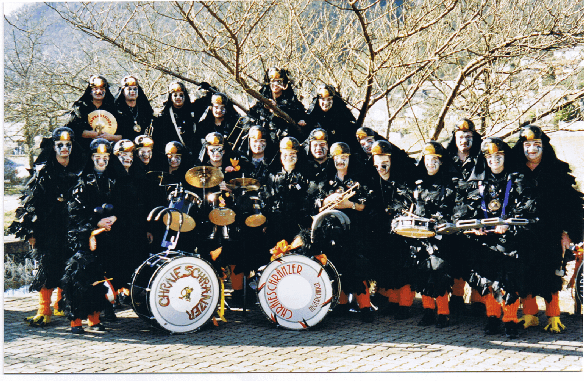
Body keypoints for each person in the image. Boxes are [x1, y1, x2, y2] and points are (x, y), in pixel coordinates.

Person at [457, 137, 537, 339]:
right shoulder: (475, 181)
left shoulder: (518, 179)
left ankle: (510, 319)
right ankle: (492, 317)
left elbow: (528, 207)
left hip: (512, 240)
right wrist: (474, 227)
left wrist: (509, 224)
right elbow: (463, 210)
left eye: (499, 155)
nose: (494, 160)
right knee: (488, 279)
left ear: (505, 156)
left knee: (510, 279)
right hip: (484, 241)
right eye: (490, 156)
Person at [510, 125, 584, 333]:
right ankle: (530, 314)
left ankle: (553, 316)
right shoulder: (513, 171)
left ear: (544, 146)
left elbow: (572, 206)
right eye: (527, 145)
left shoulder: (557, 171)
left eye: (536, 145)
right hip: (522, 234)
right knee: (524, 272)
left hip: (551, 234)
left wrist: (568, 233)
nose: (532, 149)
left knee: (551, 273)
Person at [9, 127, 85, 327]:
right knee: (47, 266)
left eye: (68, 144)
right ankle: (44, 309)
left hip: (72, 226)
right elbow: (32, 202)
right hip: (48, 228)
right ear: (53, 146)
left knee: (69, 264)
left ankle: (61, 305)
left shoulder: (80, 169)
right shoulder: (44, 170)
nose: (64, 148)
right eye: (60, 145)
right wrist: (32, 231)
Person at [62, 138, 128, 333]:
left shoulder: (116, 180)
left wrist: (115, 217)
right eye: (98, 157)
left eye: (105, 157)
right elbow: (73, 212)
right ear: (91, 158)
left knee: (100, 278)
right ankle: (75, 322)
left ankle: (95, 319)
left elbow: (127, 205)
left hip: (107, 236)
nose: (102, 161)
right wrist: (95, 222)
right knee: (79, 278)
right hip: (83, 237)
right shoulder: (80, 182)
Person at [315, 142, 374, 322]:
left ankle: (365, 305)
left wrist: (350, 205)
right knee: (335, 264)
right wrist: (328, 200)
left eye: (344, 158)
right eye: (337, 158)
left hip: (353, 230)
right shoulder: (325, 178)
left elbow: (365, 204)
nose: (340, 161)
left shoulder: (357, 180)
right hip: (331, 230)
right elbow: (316, 201)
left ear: (349, 159)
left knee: (357, 266)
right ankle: (341, 304)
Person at [366, 140, 416, 320]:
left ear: (390, 159)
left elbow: (408, 200)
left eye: (385, 159)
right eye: (377, 159)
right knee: (387, 265)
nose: (381, 164)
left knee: (404, 266)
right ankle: (393, 303)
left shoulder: (402, 178)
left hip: (401, 229)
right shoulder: (371, 179)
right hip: (381, 229)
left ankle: (405, 305)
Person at [410, 142, 457, 328]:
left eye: (435, 160)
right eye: (428, 159)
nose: (431, 163)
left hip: (441, 238)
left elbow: (455, 210)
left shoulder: (450, 184)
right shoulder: (418, 184)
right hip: (420, 237)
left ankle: (443, 312)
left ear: (441, 161)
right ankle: (428, 311)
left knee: (439, 273)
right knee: (422, 274)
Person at [443, 118, 485, 314]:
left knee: (478, 259)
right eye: (460, 137)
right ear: (454, 138)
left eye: (468, 137)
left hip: (477, 217)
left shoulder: (482, 159)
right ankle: (457, 298)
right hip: (452, 218)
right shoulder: (445, 159)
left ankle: (479, 300)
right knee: (455, 259)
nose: (464, 140)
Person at [247, 67, 307, 142]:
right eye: (273, 81)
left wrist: (277, 108)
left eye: (279, 81)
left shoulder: (291, 101)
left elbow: (299, 114)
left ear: (284, 84)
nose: (276, 84)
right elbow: (253, 115)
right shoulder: (263, 100)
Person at [66, 75, 119, 152]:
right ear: (90, 91)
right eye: (95, 89)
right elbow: (74, 129)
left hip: (109, 147)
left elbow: (123, 133)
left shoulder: (114, 109)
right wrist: (96, 134)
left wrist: (111, 137)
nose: (98, 92)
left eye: (102, 89)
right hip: (83, 147)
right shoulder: (80, 108)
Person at [305, 84, 358, 153]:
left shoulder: (343, 116)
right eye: (323, 99)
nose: (326, 102)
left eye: (329, 99)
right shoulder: (312, 115)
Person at [151, 82, 198, 155]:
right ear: (170, 97)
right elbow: (158, 140)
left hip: (189, 155)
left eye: (181, 95)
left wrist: (209, 90)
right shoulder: (163, 116)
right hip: (171, 155)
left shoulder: (192, 112)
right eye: (175, 95)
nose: (178, 98)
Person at [113, 75, 154, 142]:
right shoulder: (117, 110)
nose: (132, 91)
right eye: (129, 89)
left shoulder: (144, 109)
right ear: (123, 92)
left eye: (135, 89)